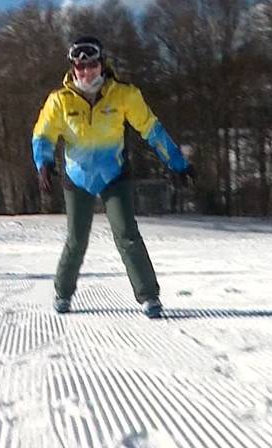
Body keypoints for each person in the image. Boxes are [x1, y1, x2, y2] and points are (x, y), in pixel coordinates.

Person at [32, 36, 194, 319]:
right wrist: (43, 163)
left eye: (92, 65)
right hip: (77, 176)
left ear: (102, 64)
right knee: (76, 239)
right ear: (73, 68)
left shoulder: (124, 95)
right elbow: (43, 135)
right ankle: (63, 292)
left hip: (114, 174)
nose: (86, 72)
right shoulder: (59, 100)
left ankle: (149, 296)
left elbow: (151, 129)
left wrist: (176, 163)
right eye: (80, 67)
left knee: (127, 234)